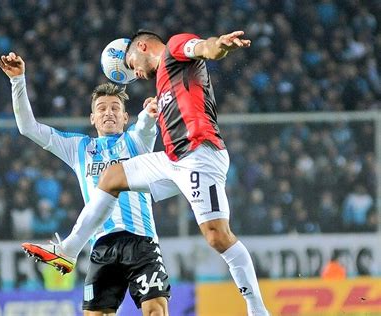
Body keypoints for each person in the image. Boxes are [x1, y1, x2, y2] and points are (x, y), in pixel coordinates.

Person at [22, 29, 270, 315]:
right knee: (112, 176)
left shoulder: (174, 49)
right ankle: (68, 250)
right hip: (173, 159)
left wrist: (220, 47)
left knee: (217, 236)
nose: (135, 74)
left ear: (142, 46)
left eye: (131, 66)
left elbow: (203, 48)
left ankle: (257, 309)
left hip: (200, 156)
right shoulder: (162, 82)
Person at [0, 52, 171, 316]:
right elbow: (27, 127)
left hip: (141, 241)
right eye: (101, 108)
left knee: (156, 312)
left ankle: (68, 249)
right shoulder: (79, 147)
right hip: (101, 245)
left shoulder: (137, 142)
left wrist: (149, 113)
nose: (109, 113)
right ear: (92, 118)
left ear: (126, 118)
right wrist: (18, 80)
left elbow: (147, 125)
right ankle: (69, 250)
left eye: (115, 108)